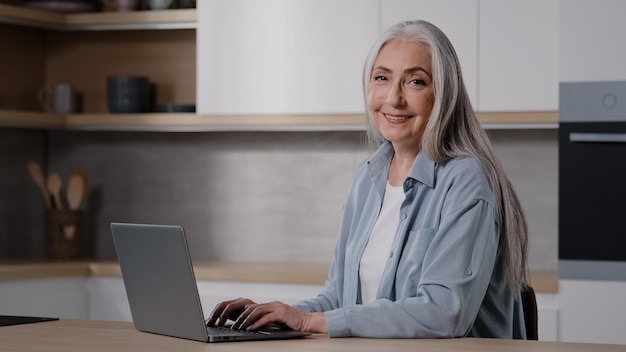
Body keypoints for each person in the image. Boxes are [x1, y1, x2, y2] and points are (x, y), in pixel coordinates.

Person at [206, 19, 529, 339]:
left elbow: (444, 312)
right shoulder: (369, 175)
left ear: (444, 93)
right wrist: (278, 318)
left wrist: (309, 321)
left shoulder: (466, 178)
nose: (393, 98)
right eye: (381, 78)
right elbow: (338, 300)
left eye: (415, 82)